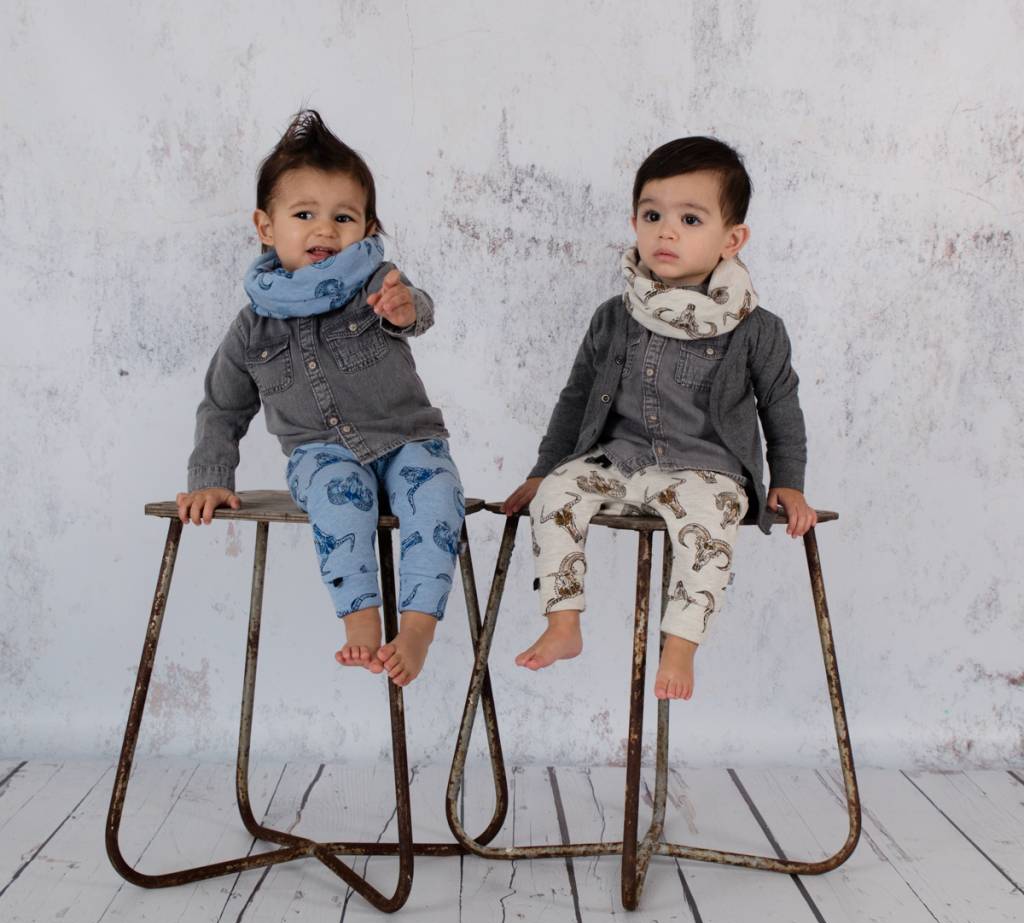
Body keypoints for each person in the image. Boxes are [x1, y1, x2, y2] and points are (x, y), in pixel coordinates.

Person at [503, 137, 816, 701]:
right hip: (620, 460)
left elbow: (780, 405)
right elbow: (575, 399)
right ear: (634, 224)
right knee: (556, 495)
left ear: (731, 239)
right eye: (653, 216)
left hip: (706, 469)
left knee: (710, 528)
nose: (666, 232)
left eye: (690, 219)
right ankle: (563, 621)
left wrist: (788, 481)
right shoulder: (614, 316)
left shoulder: (756, 328)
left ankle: (680, 644)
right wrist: (544, 469)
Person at [176, 110, 463, 687]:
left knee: (436, 496)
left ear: (367, 227)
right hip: (321, 452)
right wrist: (211, 476)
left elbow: (418, 310)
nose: (325, 230)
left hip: (407, 438)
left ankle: (417, 628)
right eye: (304, 214)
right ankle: (361, 622)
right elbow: (222, 406)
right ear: (266, 226)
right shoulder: (252, 328)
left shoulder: (378, 283)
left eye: (343, 217)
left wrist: (407, 309)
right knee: (339, 500)